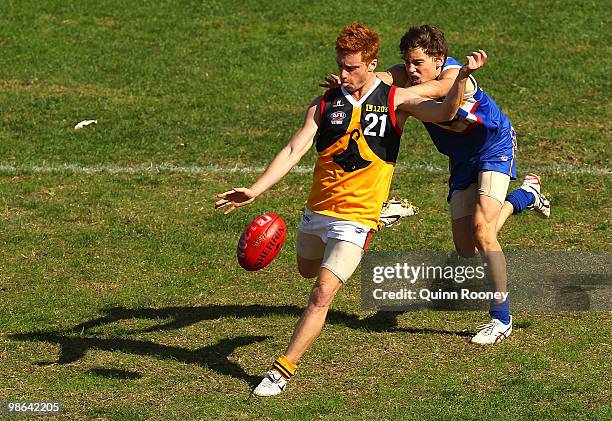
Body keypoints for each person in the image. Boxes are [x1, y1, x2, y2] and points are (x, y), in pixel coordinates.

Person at [215, 22, 487, 396]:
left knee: (322, 293)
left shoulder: (395, 100)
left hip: (355, 220)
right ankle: (384, 214)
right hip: (318, 213)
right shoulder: (326, 102)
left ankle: (281, 372)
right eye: (341, 66)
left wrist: (462, 80)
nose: (344, 74)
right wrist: (256, 190)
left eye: (352, 68)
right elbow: (295, 149)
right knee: (306, 270)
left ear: (372, 64)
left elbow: (443, 112)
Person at [324, 25, 550, 344]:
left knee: (483, 232)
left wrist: (394, 94)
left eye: (418, 62)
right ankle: (525, 196)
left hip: (493, 147)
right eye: (407, 62)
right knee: (467, 249)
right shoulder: (405, 74)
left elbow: (434, 92)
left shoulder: (458, 76)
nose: (412, 70)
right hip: (460, 159)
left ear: (439, 59)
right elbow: (377, 83)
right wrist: (348, 87)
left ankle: (501, 317)